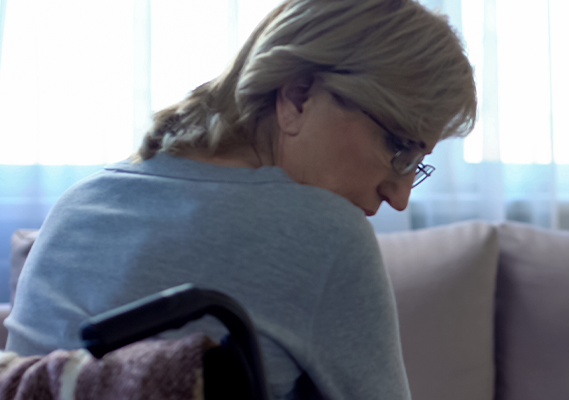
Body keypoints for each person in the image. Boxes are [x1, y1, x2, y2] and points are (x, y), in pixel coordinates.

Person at [5, 0, 476, 399]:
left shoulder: (76, 207)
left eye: (418, 162)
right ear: (297, 97)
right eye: (399, 147)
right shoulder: (328, 235)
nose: (399, 196)